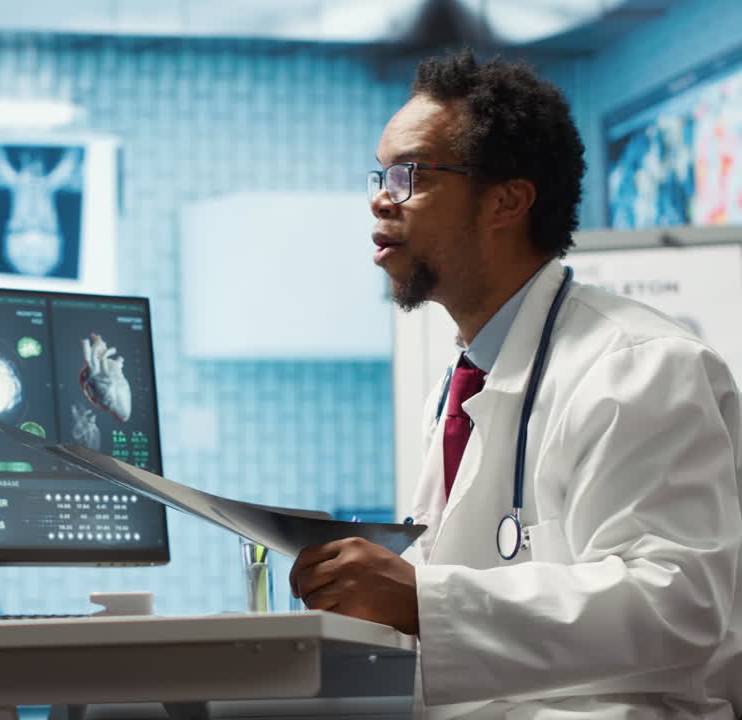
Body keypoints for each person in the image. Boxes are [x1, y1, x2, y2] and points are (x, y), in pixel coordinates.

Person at [290, 50, 742, 717]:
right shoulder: (460, 383)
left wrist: (422, 598)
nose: (381, 197)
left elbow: (677, 603)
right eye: (381, 173)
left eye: (409, 173)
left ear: (508, 200)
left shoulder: (643, 366)